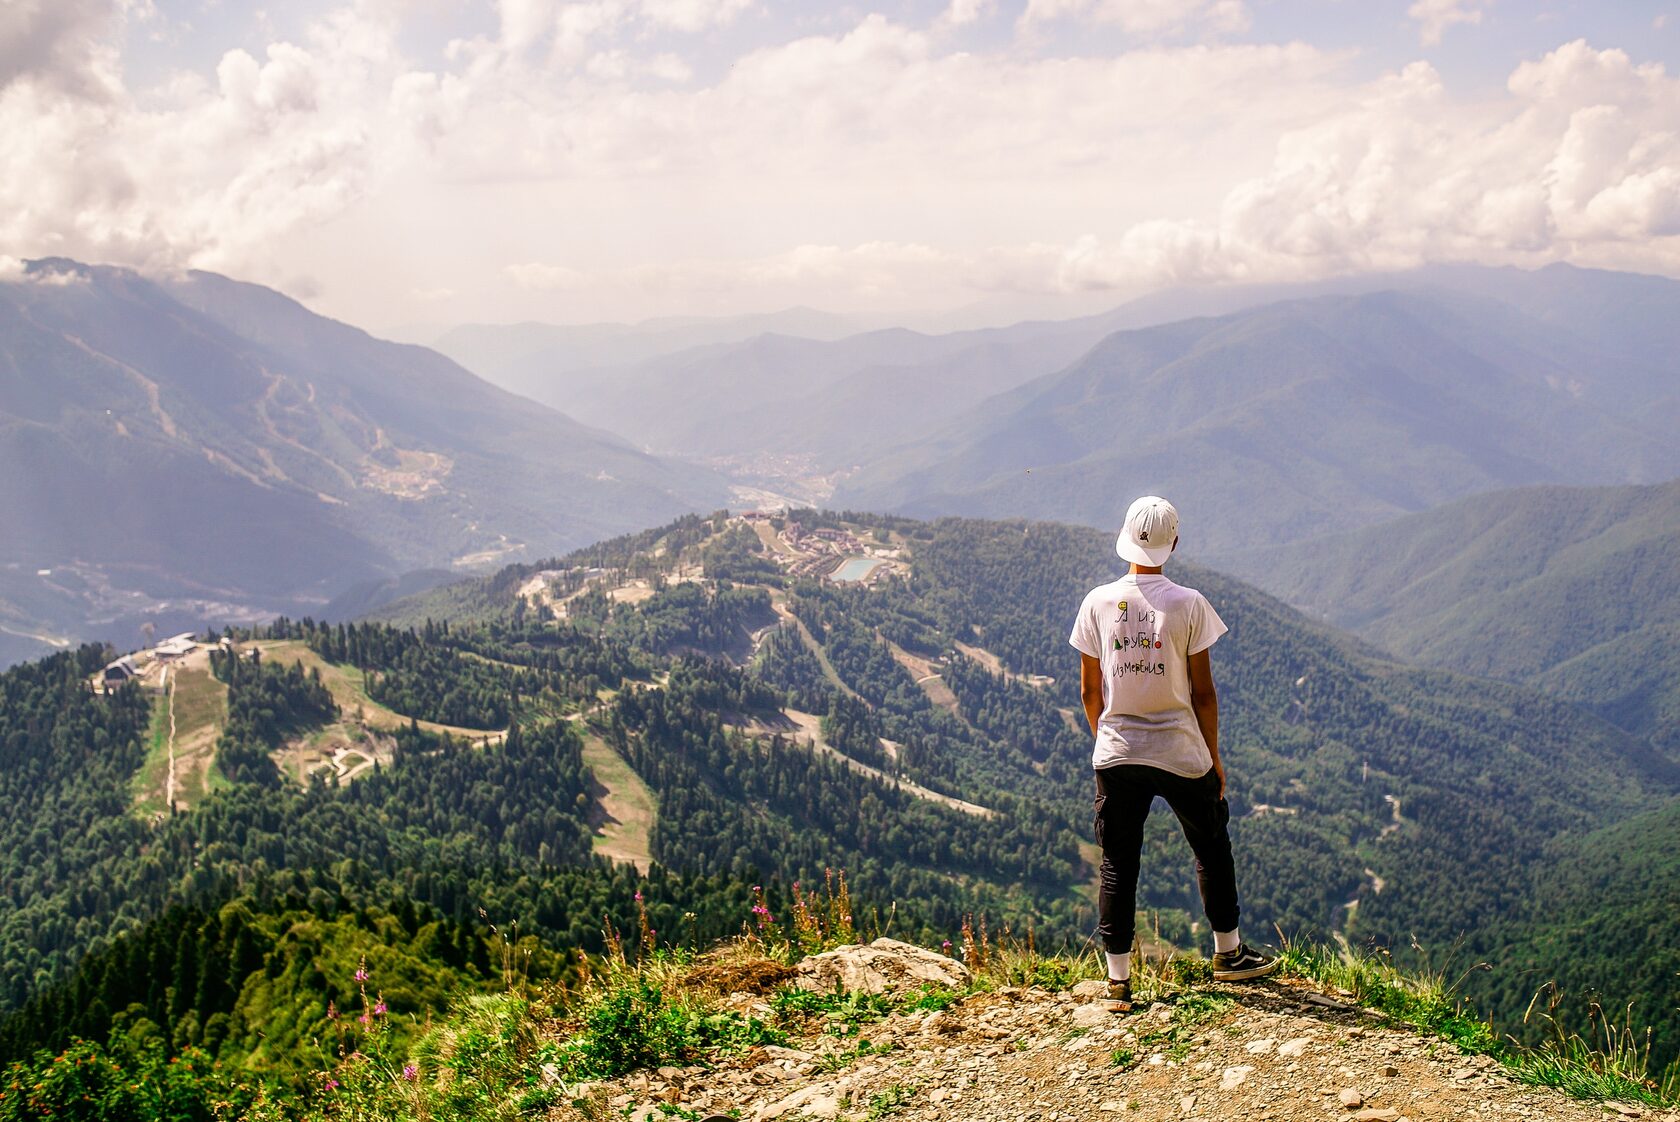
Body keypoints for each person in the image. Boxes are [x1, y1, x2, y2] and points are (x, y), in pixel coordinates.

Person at [1068, 495, 1277, 1009]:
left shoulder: (1097, 602)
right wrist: (1215, 756)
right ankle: (1228, 955)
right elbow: (1203, 692)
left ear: (1123, 536)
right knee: (1209, 845)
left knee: (1117, 861)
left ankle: (1118, 982)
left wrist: (1106, 737)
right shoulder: (1189, 604)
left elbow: (1089, 692)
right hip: (1182, 749)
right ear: (1174, 543)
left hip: (1117, 752)